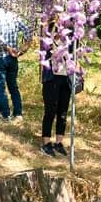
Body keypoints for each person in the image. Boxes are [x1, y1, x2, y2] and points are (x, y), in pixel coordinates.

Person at [0, 0, 31, 122]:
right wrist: (23, 49)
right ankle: (18, 114)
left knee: (0, 87)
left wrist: (8, 48)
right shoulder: (14, 17)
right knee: (13, 85)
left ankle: (5, 115)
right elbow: (27, 31)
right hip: (12, 58)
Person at [40, 22, 71, 157]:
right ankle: (46, 143)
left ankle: (59, 142)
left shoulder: (69, 42)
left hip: (65, 79)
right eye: (58, 28)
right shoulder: (47, 43)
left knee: (62, 112)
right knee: (50, 111)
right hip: (51, 79)